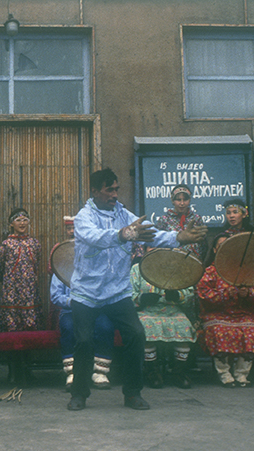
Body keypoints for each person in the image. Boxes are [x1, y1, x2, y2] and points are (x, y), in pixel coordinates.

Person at [67, 168, 208, 411]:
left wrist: (180, 237)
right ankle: (79, 393)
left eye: (116, 189)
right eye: (109, 189)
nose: (114, 194)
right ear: (94, 191)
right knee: (84, 341)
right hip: (86, 293)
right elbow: (96, 237)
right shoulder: (83, 217)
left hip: (117, 291)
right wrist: (124, 234)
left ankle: (132, 393)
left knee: (136, 335)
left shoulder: (124, 214)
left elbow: (151, 234)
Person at [51, 217, 112, 390]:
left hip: (95, 310)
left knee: (105, 326)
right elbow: (55, 296)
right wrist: (74, 302)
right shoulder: (60, 267)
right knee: (69, 327)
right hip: (71, 311)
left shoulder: (98, 268)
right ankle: (72, 373)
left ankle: (100, 372)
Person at [196, 236, 254, 387]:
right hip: (217, 313)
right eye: (221, 245)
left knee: (250, 330)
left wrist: (247, 293)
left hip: (242, 313)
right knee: (220, 330)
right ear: (214, 250)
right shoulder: (210, 271)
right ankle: (224, 373)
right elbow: (203, 294)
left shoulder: (247, 270)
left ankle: (242, 373)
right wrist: (228, 293)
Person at [131, 260, 197, 390]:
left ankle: (178, 371)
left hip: (172, 310)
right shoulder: (137, 269)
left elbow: (189, 294)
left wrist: (177, 296)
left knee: (183, 326)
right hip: (147, 310)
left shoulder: (178, 268)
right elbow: (129, 292)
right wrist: (142, 299)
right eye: (151, 247)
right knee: (146, 327)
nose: (155, 250)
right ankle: (152, 371)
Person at [0, 208, 43, 331]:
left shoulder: (34, 243)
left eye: (25, 220)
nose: (22, 223)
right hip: (11, 288)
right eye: (18, 220)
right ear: (11, 224)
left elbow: (38, 262)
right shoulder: (6, 245)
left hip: (30, 288)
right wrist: (8, 280)